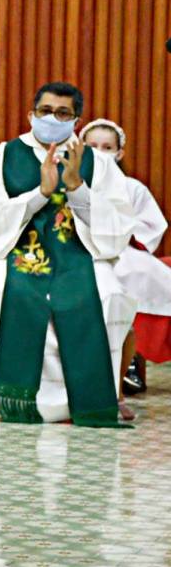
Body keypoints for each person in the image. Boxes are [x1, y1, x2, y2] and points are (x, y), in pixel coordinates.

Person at [0, 83, 135, 425]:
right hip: (15, 255)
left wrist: (78, 188)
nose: (52, 118)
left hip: (81, 257)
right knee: (5, 295)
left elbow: (118, 226)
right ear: (31, 114)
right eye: (45, 111)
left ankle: (95, 396)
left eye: (62, 113)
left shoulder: (98, 163)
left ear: (76, 120)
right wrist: (41, 193)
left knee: (108, 294)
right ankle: (13, 398)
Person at [80, 119, 171, 389]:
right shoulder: (71, 182)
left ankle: (129, 357)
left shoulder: (132, 188)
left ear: (119, 153)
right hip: (81, 250)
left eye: (107, 147)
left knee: (133, 275)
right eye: (93, 146)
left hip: (122, 250)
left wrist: (121, 229)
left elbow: (151, 225)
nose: (100, 152)